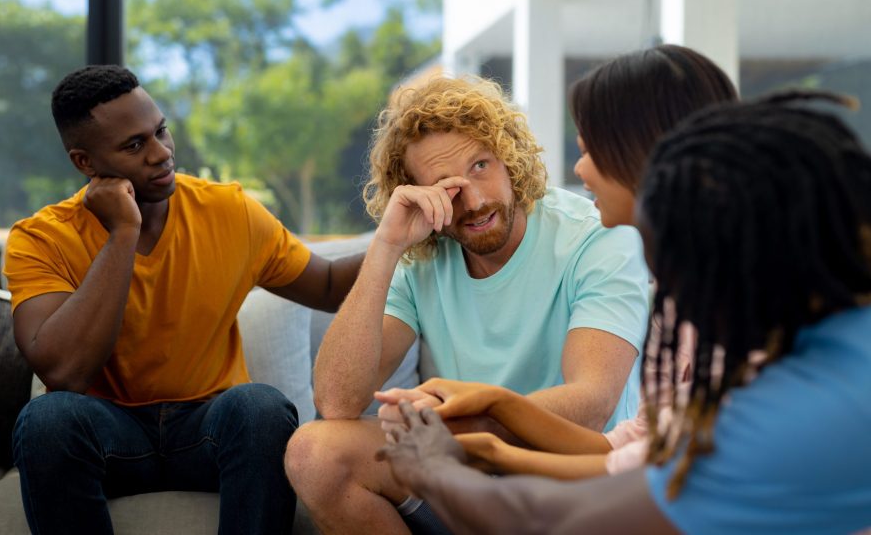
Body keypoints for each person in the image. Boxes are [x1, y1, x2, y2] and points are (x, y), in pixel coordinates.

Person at [376, 91, 871, 535]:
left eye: (670, 261)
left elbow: (550, 520)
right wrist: (495, 411)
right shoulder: (824, 341)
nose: (669, 295)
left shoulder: (793, 413)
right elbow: (624, 457)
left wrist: (433, 469)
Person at [4, 65, 362, 535]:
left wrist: (408, 240)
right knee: (46, 420)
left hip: (207, 431)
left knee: (260, 408)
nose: (161, 153)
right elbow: (65, 372)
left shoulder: (228, 211)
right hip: (110, 434)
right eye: (134, 145)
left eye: (160, 131)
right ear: (85, 163)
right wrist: (123, 234)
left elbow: (331, 285)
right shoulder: (41, 238)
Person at [285, 76, 651, 534]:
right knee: (313, 454)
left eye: (480, 166)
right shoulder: (421, 254)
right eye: (447, 186)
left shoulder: (595, 236)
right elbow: (337, 401)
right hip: (460, 476)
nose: (474, 201)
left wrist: (455, 424)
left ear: (509, 157)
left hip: (573, 484)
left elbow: (592, 403)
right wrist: (387, 245)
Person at [412, 44, 738, 480]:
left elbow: (655, 476)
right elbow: (629, 446)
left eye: (589, 151)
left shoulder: (749, 303)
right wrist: (493, 408)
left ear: (646, 154)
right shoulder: (679, 296)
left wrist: (489, 452)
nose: (580, 171)